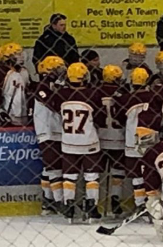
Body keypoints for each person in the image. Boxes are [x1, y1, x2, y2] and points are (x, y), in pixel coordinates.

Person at [50, 62, 105, 223]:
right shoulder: (93, 93)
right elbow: (100, 118)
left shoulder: (61, 94)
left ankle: (68, 207)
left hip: (68, 141)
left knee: (69, 176)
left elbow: (55, 108)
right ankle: (92, 207)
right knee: (91, 177)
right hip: (89, 141)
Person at [115, 67, 159, 210]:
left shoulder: (125, 99)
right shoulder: (156, 96)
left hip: (131, 140)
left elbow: (119, 120)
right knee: (153, 172)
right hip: (151, 139)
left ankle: (140, 204)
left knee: (136, 175)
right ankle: (154, 204)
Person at [34, 56, 67, 215]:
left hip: (57, 130)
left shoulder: (56, 85)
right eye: (58, 68)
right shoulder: (42, 86)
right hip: (47, 131)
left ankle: (48, 202)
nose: (62, 71)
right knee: (54, 167)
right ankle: (60, 202)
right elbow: (55, 104)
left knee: (50, 167)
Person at [98, 64, 127, 218]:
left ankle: (93, 203)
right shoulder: (123, 92)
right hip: (118, 137)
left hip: (100, 137)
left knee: (94, 174)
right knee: (118, 172)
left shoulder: (96, 92)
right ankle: (115, 202)